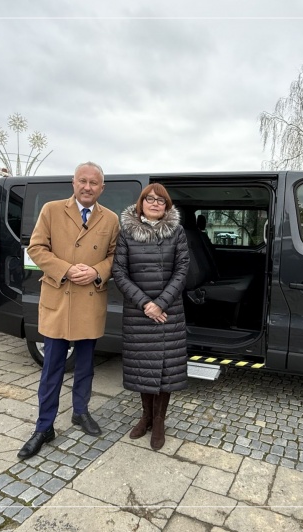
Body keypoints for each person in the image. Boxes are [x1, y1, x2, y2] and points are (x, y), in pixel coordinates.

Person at [17, 161, 120, 460]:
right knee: (52, 368)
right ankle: (44, 426)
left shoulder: (111, 219)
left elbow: (115, 256)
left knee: (86, 365)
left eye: (94, 183)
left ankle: (80, 412)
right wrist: (66, 269)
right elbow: (36, 248)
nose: (87, 187)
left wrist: (97, 271)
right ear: (73, 183)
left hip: (89, 299)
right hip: (59, 298)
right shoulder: (51, 210)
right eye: (82, 181)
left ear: (102, 188)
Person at [112, 184, 190, 451]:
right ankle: (145, 416)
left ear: (167, 206)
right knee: (142, 368)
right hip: (139, 312)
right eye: (150, 199)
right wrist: (146, 303)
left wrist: (161, 303)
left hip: (169, 312)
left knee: (166, 371)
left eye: (161, 200)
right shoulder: (126, 234)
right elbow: (119, 272)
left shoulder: (177, 232)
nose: (155, 203)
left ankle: (159, 421)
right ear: (141, 202)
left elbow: (182, 269)